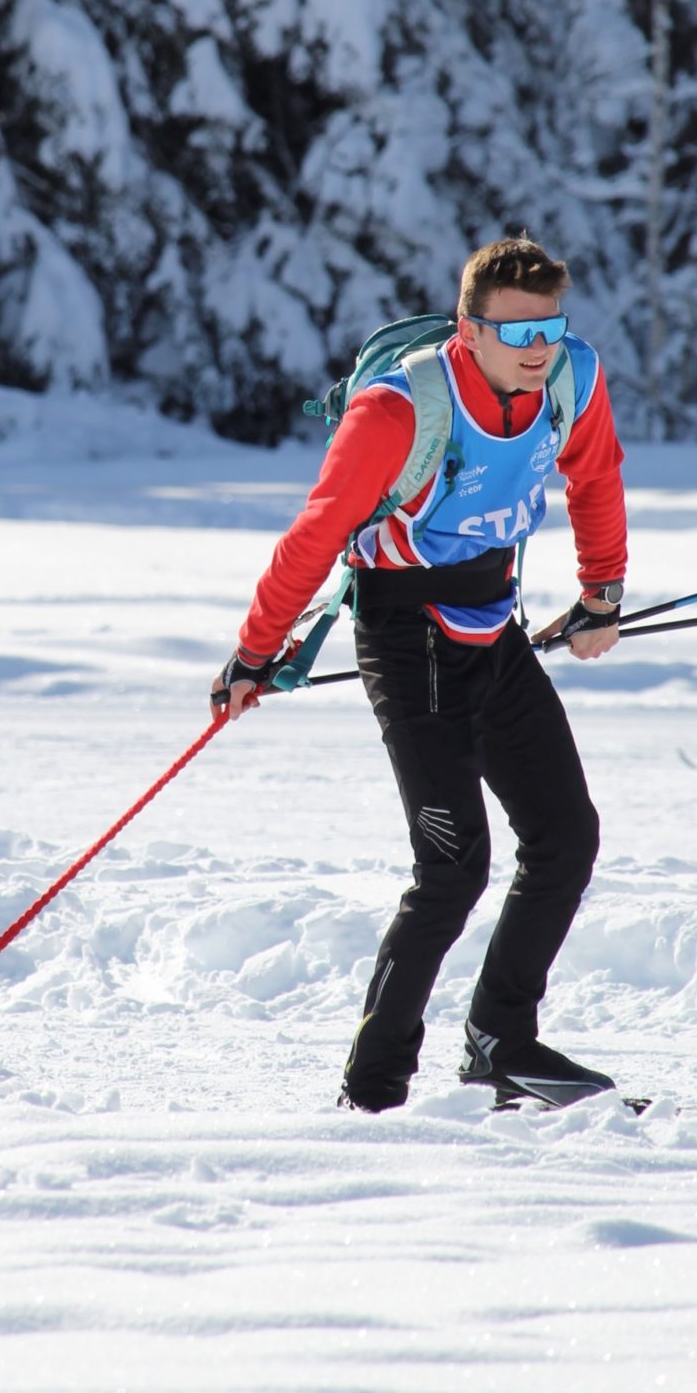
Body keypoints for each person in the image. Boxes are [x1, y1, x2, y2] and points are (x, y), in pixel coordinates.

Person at [211, 236, 627, 1112]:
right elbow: (315, 537)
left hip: (492, 627)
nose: (536, 346)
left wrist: (601, 596)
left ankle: (501, 1045)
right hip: (404, 640)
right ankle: (372, 1089)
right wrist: (256, 655)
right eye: (514, 331)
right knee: (452, 870)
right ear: (468, 330)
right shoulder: (400, 412)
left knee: (566, 839)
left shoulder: (570, 381)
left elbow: (596, 478)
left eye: (550, 326)